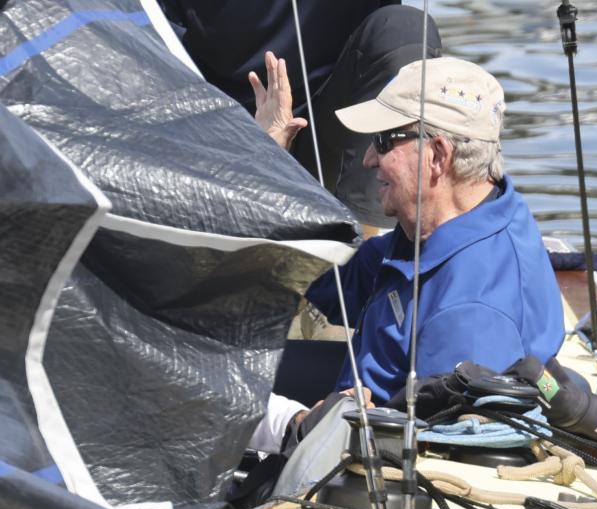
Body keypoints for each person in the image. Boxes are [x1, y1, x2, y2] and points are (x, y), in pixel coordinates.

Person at [303, 56, 566, 405]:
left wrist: (319, 425)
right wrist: (267, 160)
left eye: (383, 140)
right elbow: (333, 284)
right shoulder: (436, 229)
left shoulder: (469, 313)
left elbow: (442, 447)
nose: (368, 159)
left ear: (438, 155)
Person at [157, 1, 442, 228]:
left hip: (333, 134)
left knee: (405, 28)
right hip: (222, 144)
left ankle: (373, 248)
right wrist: (252, 141)